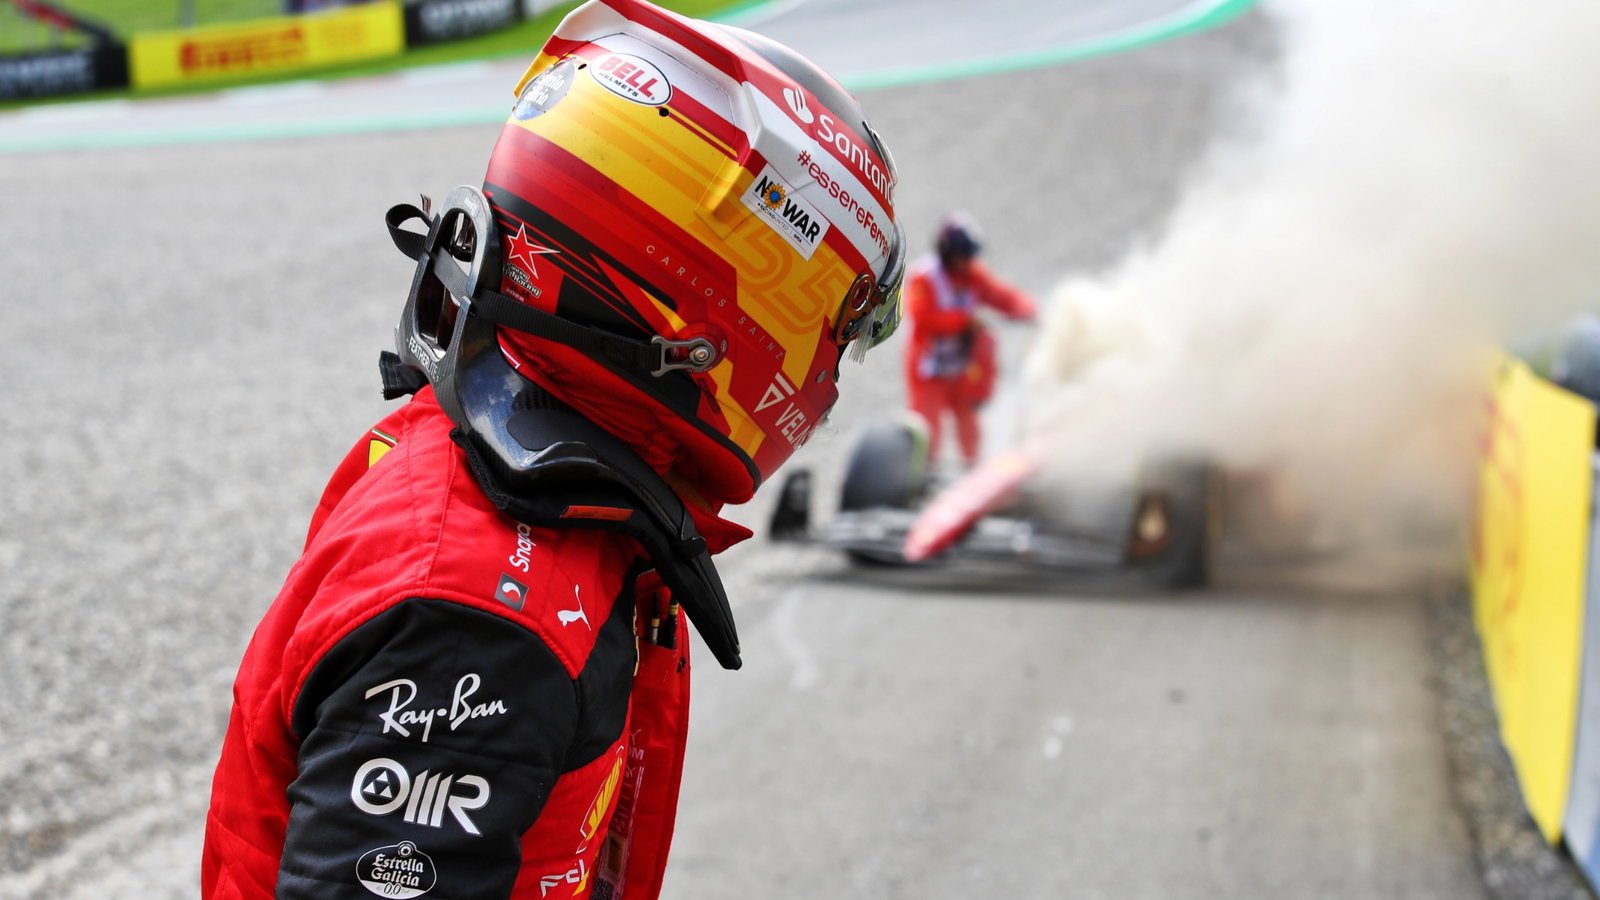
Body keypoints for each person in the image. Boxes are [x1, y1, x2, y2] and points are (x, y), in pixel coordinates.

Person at [200, 2, 906, 897]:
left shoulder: (529, 457)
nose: (830, 374)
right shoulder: (483, 618)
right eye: (839, 328)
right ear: (725, 303)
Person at [902, 213, 1036, 467]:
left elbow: (1003, 297)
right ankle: (921, 478)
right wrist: (965, 320)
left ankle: (972, 471)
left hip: (962, 370)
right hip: (929, 372)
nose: (966, 261)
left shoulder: (974, 275)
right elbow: (924, 318)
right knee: (926, 434)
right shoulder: (923, 277)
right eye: (962, 255)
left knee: (970, 430)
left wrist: (1029, 310)